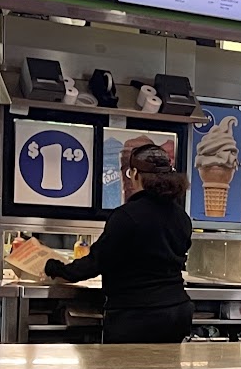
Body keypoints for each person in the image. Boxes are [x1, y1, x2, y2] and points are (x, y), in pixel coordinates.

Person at [45, 142, 194, 343]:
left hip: (137, 316)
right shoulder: (181, 217)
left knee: (126, 364)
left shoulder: (127, 216)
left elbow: (96, 262)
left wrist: (54, 268)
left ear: (135, 174)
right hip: (177, 312)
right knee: (166, 364)